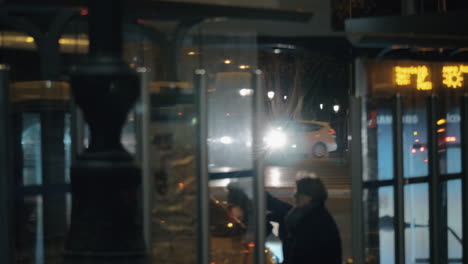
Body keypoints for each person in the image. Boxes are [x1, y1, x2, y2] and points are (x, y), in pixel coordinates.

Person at [267, 177, 341, 264]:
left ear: (308, 196)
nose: (295, 196)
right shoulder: (313, 216)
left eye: (298, 192)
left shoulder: (310, 222)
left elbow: (300, 255)